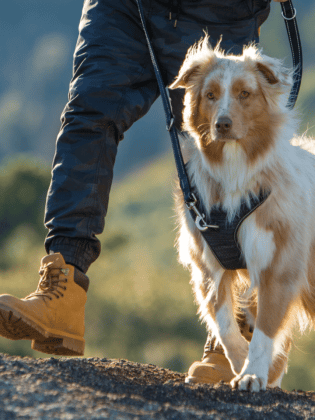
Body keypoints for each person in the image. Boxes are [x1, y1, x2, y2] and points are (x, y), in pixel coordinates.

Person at [0, 0, 276, 384]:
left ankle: (232, 336)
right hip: (124, 8)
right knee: (88, 115)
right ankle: (62, 289)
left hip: (220, 12)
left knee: (230, 149)